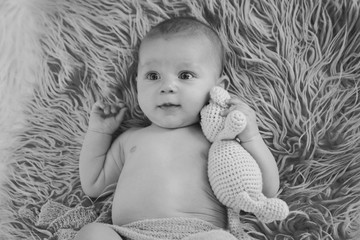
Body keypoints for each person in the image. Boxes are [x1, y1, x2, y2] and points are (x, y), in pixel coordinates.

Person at [75, 17, 280, 240]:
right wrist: (100, 132)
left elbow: (266, 190)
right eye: (153, 76)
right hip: (129, 234)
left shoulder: (220, 141)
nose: (167, 87)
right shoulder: (130, 139)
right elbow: (94, 184)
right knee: (92, 232)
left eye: (185, 75)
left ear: (217, 88)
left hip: (196, 234)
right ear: (137, 84)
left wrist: (251, 136)